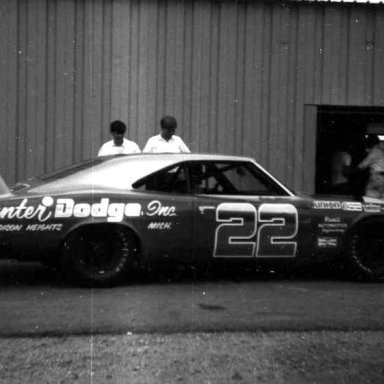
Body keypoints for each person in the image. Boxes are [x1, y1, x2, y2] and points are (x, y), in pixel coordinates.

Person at [356, 135, 384, 200]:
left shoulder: (375, 150)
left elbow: (362, 166)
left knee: (371, 197)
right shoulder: (381, 148)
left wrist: (351, 172)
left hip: (377, 177)